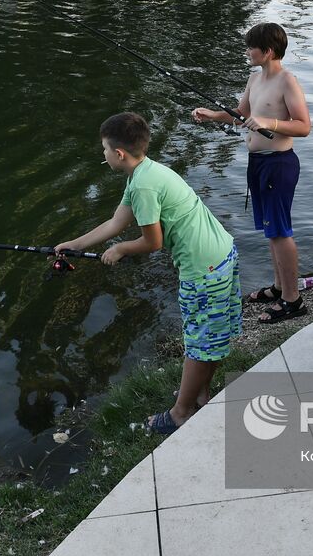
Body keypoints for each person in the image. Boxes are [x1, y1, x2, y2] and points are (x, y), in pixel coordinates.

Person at [55, 113, 240, 434]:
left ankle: (181, 412)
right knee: (209, 337)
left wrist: (121, 249)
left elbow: (153, 242)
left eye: (104, 149)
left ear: (119, 154)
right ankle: (200, 394)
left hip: (203, 270)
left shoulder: (142, 187)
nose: (103, 154)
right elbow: (116, 222)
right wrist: (73, 243)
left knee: (198, 343)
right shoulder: (147, 172)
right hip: (220, 253)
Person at [192, 23, 312, 323]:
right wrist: (212, 115)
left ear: (268, 51)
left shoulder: (287, 81)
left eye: (251, 47)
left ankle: (292, 300)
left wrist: (269, 123)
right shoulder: (254, 78)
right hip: (257, 164)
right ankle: (279, 286)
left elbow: (303, 126)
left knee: (280, 232)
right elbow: (243, 115)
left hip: (279, 164)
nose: (247, 51)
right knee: (271, 231)